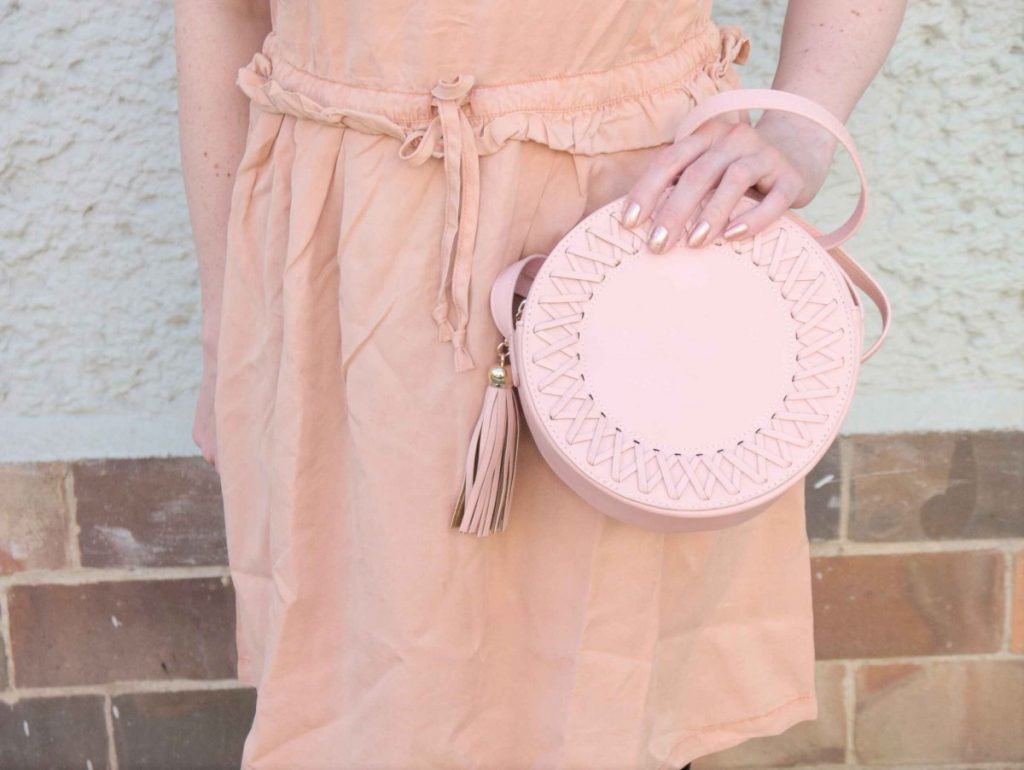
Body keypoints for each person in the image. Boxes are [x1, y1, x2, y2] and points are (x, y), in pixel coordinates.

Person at [174, 1, 904, 767]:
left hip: (627, 242)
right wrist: (228, 334)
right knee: (368, 695)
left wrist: (805, 124)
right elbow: (217, 16)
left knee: (607, 694)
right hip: (348, 261)